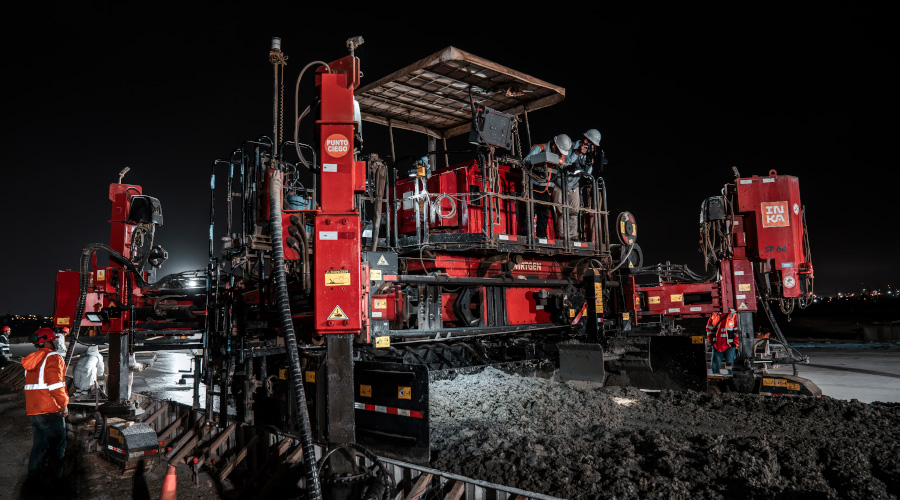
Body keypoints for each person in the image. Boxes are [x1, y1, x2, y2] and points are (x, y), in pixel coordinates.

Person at [22, 327, 69, 480]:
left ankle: (33, 478)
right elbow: (55, 386)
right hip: (50, 409)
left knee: (39, 445)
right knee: (57, 446)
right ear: (47, 341)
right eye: (54, 339)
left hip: (34, 409)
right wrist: (64, 405)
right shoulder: (53, 358)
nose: (56, 341)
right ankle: (56, 479)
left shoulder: (32, 359)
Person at [523, 134, 571, 239]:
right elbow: (525, 161)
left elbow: (563, 166)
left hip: (548, 190)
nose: (559, 154)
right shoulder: (540, 148)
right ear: (554, 145)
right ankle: (527, 236)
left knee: (544, 214)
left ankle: (542, 237)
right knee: (530, 213)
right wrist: (538, 159)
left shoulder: (560, 157)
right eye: (558, 150)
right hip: (534, 188)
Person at [558, 129, 602, 241]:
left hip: (574, 186)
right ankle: (563, 236)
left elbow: (587, 174)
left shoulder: (588, 154)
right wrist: (577, 153)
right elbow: (563, 166)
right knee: (561, 212)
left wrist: (590, 164)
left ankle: (573, 236)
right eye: (592, 145)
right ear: (586, 140)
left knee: (574, 212)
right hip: (561, 184)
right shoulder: (570, 146)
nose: (593, 148)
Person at [706, 309, 739, 374]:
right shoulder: (714, 315)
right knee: (715, 364)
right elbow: (709, 329)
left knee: (730, 364)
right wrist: (711, 341)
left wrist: (735, 342)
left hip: (729, 345)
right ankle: (715, 378)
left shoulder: (733, 315)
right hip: (718, 345)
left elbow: (737, 330)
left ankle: (731, 378)